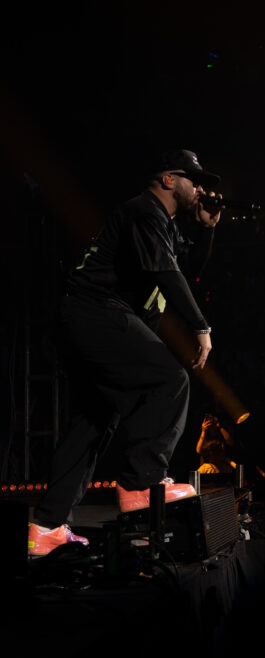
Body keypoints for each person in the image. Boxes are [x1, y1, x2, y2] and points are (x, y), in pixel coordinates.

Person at [28, 150, 222, 557]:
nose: (202, 189)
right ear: (169, 179)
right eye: (195, 180)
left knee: (95, 419)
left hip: (88, 318)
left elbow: (186, 271)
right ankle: (140, 482)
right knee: (169, 379)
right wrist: (200, 327)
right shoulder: (144, 212)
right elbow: (167, 277)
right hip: (96, 312)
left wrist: (206, 229)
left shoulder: (163, 225)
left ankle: (44, 526)